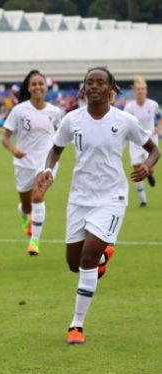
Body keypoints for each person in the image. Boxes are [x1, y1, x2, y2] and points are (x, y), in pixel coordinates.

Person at [36, 67, 159, 345]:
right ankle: (104, 255)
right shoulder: (72, 120)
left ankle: (76, 324)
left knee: (88, 258)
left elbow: (154, 149)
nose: (93, 86)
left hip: (111, 197)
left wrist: (147, 168)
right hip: (79, 198)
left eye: (99, 82)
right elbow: (56, 148)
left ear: (110, 89)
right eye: (89, 82)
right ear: (84, 88)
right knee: (73, 263)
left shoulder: (124, 120)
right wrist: (48, 171)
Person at [1, 70, 62, 255]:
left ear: (46, 86)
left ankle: (34, 242)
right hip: (23, 164)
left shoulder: (55, 111)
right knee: (28, 205)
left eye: (40, 83)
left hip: (46, 162)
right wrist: (14, 150)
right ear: (28, 88)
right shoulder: (19, 110)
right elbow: (5, 138)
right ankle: (23, 212)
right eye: (34, 84)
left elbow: (62, 136)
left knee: (38, 196)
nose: (37, 87)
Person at [124, 75, 161, 207]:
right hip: (135, 142)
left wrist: (158, 127)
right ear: (135, 91)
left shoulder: (153, 104)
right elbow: (126, 123)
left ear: (146, 90)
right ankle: (143, 201)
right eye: (138, 89)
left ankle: (150, 174)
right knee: (137, 168)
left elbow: (159, 116)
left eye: (143, 89)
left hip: (151, 142)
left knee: (150, 168)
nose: (140, 91)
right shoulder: (129, 107)